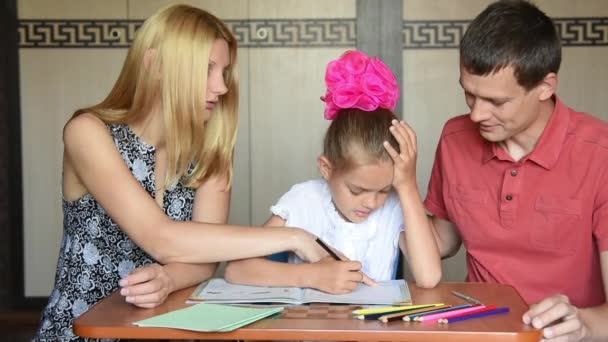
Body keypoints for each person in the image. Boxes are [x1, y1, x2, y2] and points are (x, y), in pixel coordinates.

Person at [34, 4, 326, 341]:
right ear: (155, 65)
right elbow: (161, 239)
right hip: (77, 332)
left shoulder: (210, 149)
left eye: (224, 72)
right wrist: (293, 236)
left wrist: (169, 280)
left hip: (164, 330)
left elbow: (206, 256)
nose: (222, 87)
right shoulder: (87, 132)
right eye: (206, 70)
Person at [390, 0, 608, 341]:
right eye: (469, 94)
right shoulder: (455, 138)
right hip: (476, 332)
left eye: (497, 102)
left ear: (546, 87)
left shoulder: (600, 155)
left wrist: (582, 324)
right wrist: (389, 191)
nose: (477, 115)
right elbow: (441, 243)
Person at [224, 50, 442, 294]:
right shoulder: (303, 200)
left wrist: (407, 186)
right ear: (326, 168)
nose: (371, 202)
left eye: (384, 190)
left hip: (371, 330)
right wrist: (310, 276)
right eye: (357, 190)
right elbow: (237, 269)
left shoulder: (393, 207)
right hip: (308, 330)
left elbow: (429, 277)